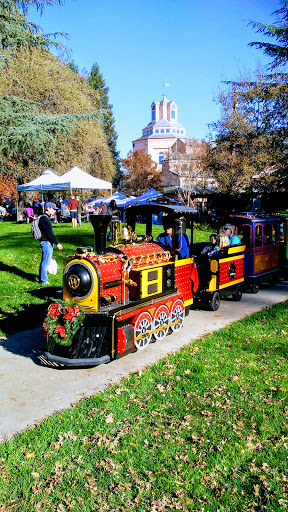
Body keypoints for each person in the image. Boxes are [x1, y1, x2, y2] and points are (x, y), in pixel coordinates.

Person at [38, 202, 63, 285]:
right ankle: (44, 280)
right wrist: (57, 243)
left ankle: (41, 278)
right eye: (53, 209)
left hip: (45, 242)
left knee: (44, 261)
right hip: (46, 242)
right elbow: (49, 233)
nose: (55, 211)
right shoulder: (45, 219)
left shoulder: (44, 217)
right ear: (48, 208)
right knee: (46, 262)